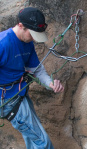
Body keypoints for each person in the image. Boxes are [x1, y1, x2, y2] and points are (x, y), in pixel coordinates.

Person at [0, 7, 64, 149]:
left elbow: (36, 70)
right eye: (32, 33)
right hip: (7, 100)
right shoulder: (3, 43)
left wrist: (50, 84)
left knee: (33, 140)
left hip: (19, 94)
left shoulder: (27, 43)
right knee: (42, 143)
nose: (34, 38)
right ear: (21, 25)